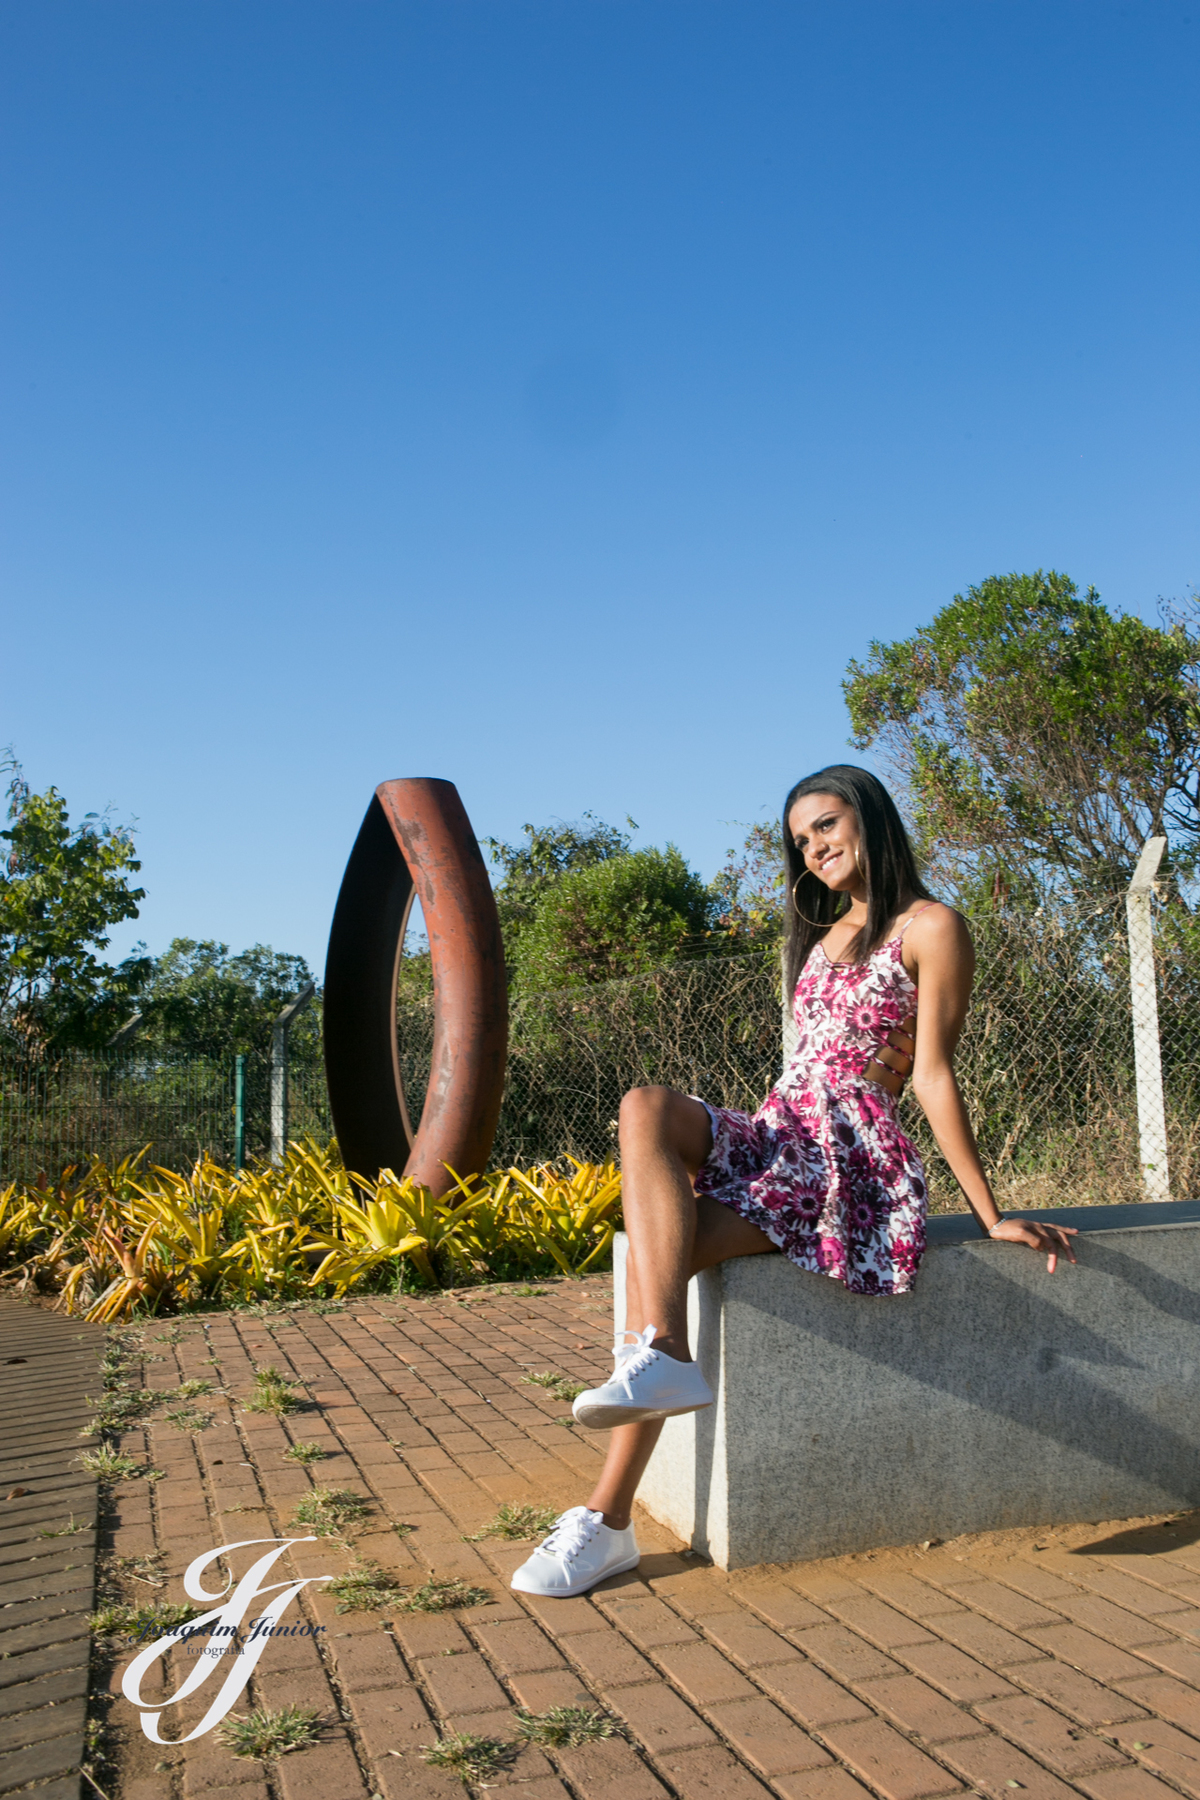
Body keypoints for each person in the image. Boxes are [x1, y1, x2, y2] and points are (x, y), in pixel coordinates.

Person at [511, 764, 1078, 1599]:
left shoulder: (932, 927)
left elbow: (931, 1076)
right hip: (783, 1131)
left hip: (847, 1153)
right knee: (644, 1107)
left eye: (826, 825)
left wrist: (988, 1214)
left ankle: (608, 1518)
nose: (814, 848)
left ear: (870, 818)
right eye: (801, 840)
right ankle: (661, 1358)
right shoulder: (821, 937)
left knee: (656, 1260)